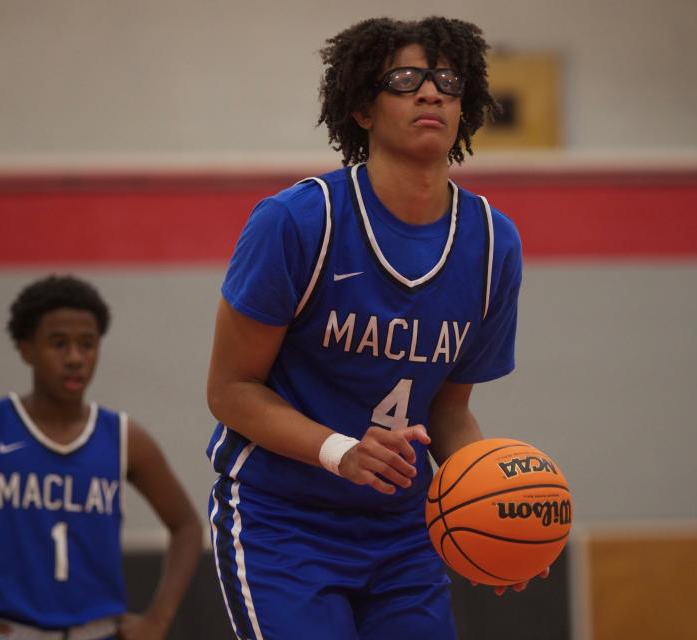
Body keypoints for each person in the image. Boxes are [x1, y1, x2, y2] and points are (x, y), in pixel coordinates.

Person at [205, 16, 543, 640]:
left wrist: (496, 512)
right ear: (362, 106)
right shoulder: (297, 222)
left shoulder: (495, 243)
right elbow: (230, 390)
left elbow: (449, 410)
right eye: (406, 79)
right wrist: (342, 452)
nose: (431, 92)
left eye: (446, 79)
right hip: (283, 521)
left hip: (401, 531)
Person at [0, 275, 202, 640]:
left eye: (87, 344)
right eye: (58, 343)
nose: (75, 358)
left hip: (98, 632)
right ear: (26, 348)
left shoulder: (125, 438)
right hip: (11, 631)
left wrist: (158, 619)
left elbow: (187, 525)